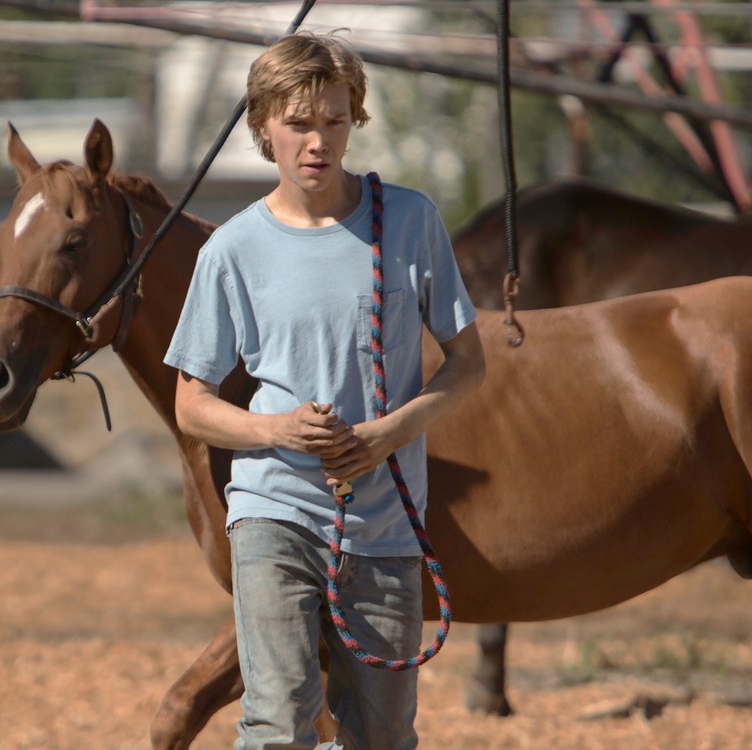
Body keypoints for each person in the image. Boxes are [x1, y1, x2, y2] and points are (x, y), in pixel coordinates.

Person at [164, 32, 485, 749]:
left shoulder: (409, 221)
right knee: (278, 722)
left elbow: (469, 363)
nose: (318, 141)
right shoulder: (232, 251)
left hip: (388, 522)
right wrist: (277, 431)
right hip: (273, 511)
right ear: (264, 128)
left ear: (355, 119)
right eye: (299, 123)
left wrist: (387, 436)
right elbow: (192, 405)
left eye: (334, 120)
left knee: (382, 734)